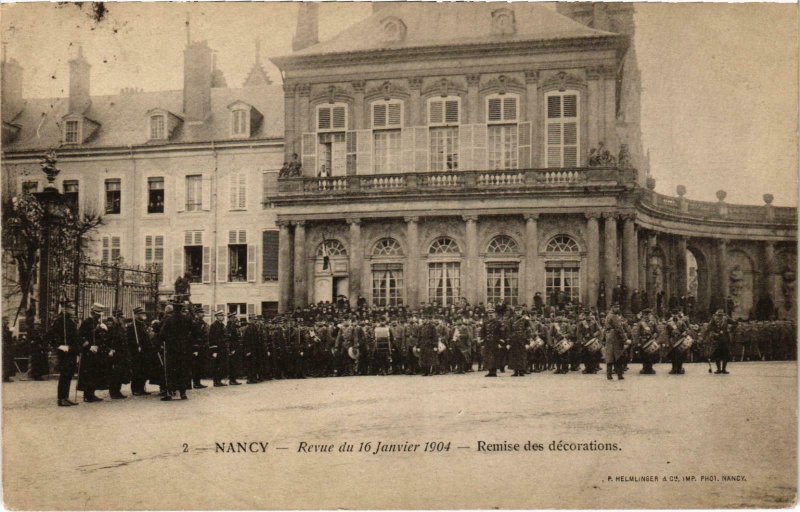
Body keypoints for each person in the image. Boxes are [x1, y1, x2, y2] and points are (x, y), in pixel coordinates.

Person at [47, 302, 80, 406]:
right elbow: (50, 335)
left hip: (72, 351)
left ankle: (66, 397)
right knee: (64, 375)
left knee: (69, 374)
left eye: (73, 308)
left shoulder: (71, 321)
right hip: (64, 352)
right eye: (71, 308)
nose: (73, 310)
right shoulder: (59, 321)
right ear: (64, 309)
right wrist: (58, 346)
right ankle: (61, 398)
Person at [159, 302, 192, 400]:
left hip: (171, 349)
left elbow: (162, 333)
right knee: (182, 370)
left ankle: (169, 393)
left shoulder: (169, 319)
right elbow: (194, 331)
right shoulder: (186, 319)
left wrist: (164, 340)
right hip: (184, 348)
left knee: (170, 370)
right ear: (181, 308)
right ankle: (183, 393)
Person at [77, 303, 107, 402]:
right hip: (88, 352)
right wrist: (89, 346)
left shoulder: (97, 323)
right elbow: (81, 336)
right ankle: (87, 395)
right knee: (88, 373)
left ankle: (92, 393)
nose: (98, 316)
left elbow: (99, 337)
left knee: (95, 373)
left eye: (99, 314)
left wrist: (103, 330)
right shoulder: (86, 322)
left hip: (96, 351)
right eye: (97, 314)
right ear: (92, 313)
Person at [128, 307, 154, 396]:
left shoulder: (143, 325)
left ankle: (141, 388)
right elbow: (130, 340)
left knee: (144, 370)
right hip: (137, 352)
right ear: (136, 315)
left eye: (144, 314)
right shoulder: (132, 326)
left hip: (145, 351)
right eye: (141, 314)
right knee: (137, 371)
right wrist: (136, 346)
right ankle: (135, 389)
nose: (144, 315)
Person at [107, 309, 131, 399]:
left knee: (120, 373)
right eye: (121, 317)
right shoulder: (113, 327)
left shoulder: (121, 327)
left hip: (122, 353)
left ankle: (117, 391)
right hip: (116, 353)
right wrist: (110, 349)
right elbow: (110, 340)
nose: (122, 319)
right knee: (115, 373)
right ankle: (113, 392)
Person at [603, 304, 628, 381]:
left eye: (618, 307)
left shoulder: (608, 315)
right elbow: (619, 328)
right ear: (612, 308)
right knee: (618, 356)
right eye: (616, 307)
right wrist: (625, 338)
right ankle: (619, 375)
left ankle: (609, 375)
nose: (618, 308)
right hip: (615, 337)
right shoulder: (614, 316)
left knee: (609, 356)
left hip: (609, 336)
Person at [705, 309, 733, 374]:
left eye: (721, 315)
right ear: (716, 314)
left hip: (725, 339)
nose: (720, 316)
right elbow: (709, 327)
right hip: (717, 339)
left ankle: (724, 369)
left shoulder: (726, 318)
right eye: (718, 315)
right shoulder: (713, 319)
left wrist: (730, 329)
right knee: (717, 354)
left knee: (725, 354)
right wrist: (712, 333)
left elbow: (734, 323)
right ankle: (718, 369)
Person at [480, 306, 504, 377]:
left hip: (495, 342)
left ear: (495, 314)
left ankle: (494, 371)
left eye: (492, 313)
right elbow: (482, 332)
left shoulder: (498, 323)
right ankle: (490, 371)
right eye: (489, 313)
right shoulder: (485, 323)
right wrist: (482, 342)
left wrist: (501, 343)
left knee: (495, 357)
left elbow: (502, 333)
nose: (490, 315)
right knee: (488, 357)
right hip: (487, 342)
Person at [209, 310, 228, 386]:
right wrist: (214, 351)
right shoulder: (214, 326)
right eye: (220, 316)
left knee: (221, 365)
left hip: (222, 349)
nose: (222, 317)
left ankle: (219, 380)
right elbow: (212, 338)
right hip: (217, 349)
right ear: (216, 316)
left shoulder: (222, 325)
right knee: (216, 365)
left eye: (222, 316)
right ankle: (216, 381)